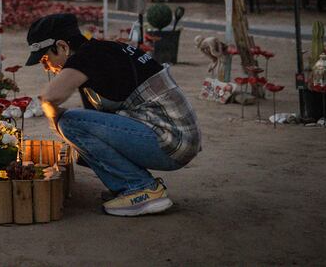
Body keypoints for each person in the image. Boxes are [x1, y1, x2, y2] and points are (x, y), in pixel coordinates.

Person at [27, 13, 200, 217]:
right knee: (72, 122)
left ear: (63, 46)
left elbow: (49, 97)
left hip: (172, 140)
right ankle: (128, 187)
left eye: (46, 59)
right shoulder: (101, 52)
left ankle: (141, 187)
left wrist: (55, 119)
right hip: (174, 138)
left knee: (69, 122)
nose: (46, 67)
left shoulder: (89, 56)